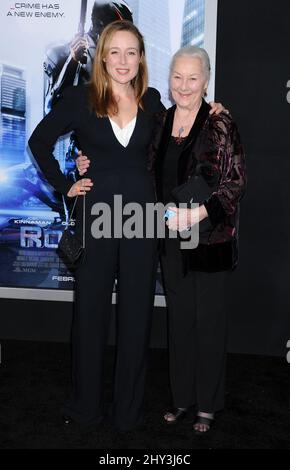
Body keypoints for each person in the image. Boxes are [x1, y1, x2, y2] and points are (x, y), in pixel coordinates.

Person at [29, 20, 164, 431]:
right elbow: (39, 141)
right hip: (97, 218)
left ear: (141, 59)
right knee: (90, 315)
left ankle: (128, 414)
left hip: (142, 219)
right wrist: (67, 184)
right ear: (102, 56)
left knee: (137, 317)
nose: (123, 61)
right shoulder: (80, 98)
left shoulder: (153, 101)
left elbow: (179, 141)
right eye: (115, 52)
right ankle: (85, 409)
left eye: (131, 53)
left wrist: (211, 112)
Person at [148, 46, 246, 433]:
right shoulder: (159, 121)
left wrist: (200, 213)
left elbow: (236, 183)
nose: (184, 86)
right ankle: (182, 399)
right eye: (177, 76)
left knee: (209, 324)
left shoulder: (220, 123)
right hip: (172, 241)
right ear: (168, 78)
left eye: (193, 78)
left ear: (206, 80)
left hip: (210, 240)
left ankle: (208, 404)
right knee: (180, 323)